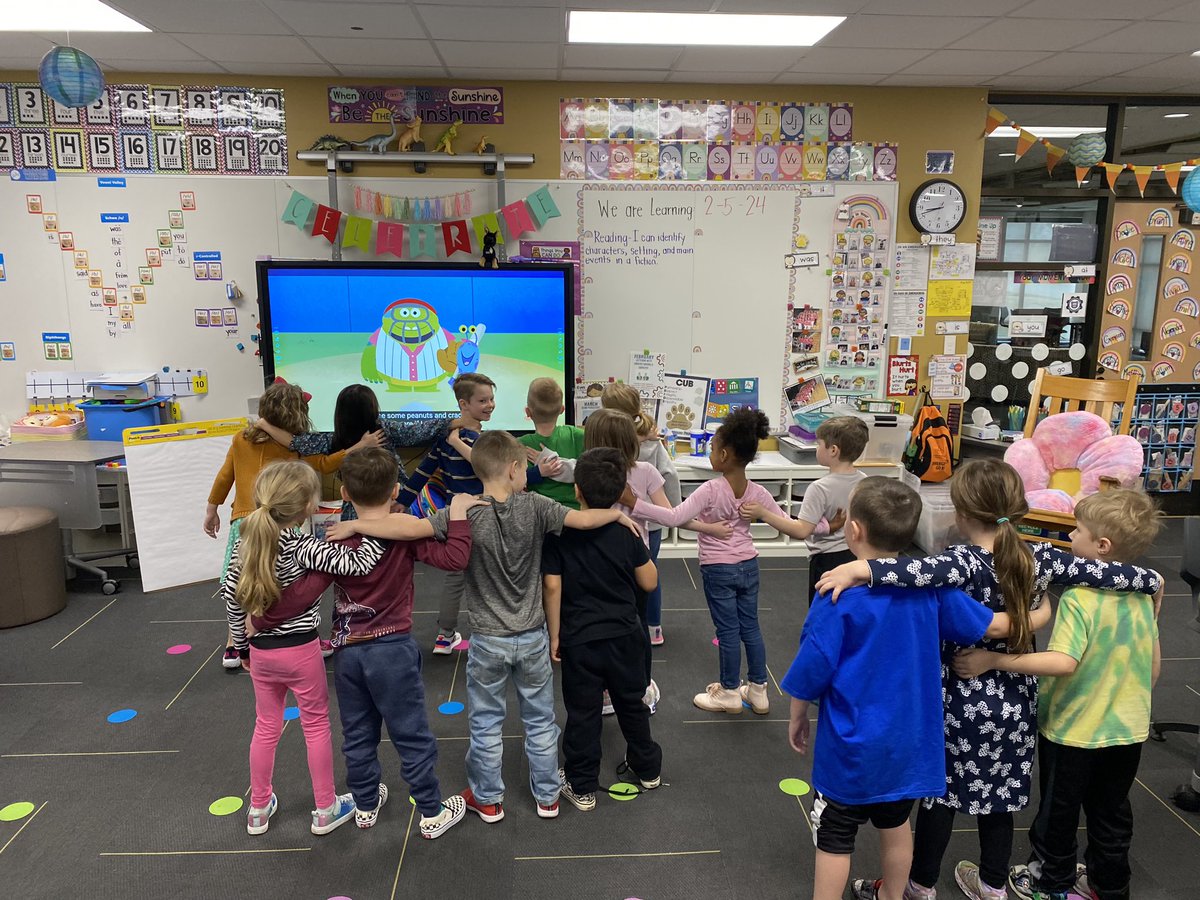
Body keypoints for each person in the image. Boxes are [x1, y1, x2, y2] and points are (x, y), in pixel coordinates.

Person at [816, 460, 1163, 900]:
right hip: (1016, 700)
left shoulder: (961, 561)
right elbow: (1110, 572)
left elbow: (911, 572)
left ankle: (919, 886)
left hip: (959, 693)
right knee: (1001, 798)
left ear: (960, 512)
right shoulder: (1040, 556)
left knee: (939, 796)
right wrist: (1150, 579)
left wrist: (860, 570)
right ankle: (992, 886)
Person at [330, 430, 641, 823]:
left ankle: (488, 799)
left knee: (485, 722)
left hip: (488, 641)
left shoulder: (465, 512)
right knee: (541, 720)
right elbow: (582, 520)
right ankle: (547, 797)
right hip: (531, 637)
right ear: (512, 469)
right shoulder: (538, 506)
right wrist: (616, 512)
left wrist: (359, 526)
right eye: (525, 468)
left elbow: (408, 527)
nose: (529, 474)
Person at [782, 477, 1011, 900]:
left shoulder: (836, 595)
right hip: (910, 744)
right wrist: (1041, 611)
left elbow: (813, 666)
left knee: (834, 837)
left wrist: (798, 714)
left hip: (851, 750)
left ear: (853, 531)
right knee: (897, 826)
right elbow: (988, 624)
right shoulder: (932, 588)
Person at [250, 448, 482, 840]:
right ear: (395, 490)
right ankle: (430, 811)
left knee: (357, 733)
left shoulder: (335, 537)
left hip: (347, 653)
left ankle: (365, 804)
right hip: (392, 652)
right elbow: (456, 558)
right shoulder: (403, 534)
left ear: (343, 493)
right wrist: (457, 516)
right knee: (411, 733)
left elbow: (301, 591)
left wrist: (260, 620)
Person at [952, 490, 1163, 900]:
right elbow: (1153, 665)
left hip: (1074, 730)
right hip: (1129, 729)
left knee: (1059, 813)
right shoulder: (1142, 595)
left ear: (1101, 546)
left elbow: (1063, 661)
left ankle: (1051, 883)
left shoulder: (1079, 599)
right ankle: (1108, 886)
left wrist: (995, 663)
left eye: (1077, 531)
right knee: (1111, 811)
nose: (1070, 538)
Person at [222, 460, 390, 837]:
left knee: (266, 725)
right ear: (308, 507)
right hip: (301, 652)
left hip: (261, 654)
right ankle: (325, 808)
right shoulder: (304, 547)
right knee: (315, 725)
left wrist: (244, 647)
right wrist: (367, 527)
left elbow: (233, 601)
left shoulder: (245, 546)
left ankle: (258, 808)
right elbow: (361, 563)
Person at [206, 379, 375, 669]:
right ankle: (296, 633)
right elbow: (323, 464)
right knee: (288, 579)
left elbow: (225, 476)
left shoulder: (240, 438)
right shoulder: (293, 445)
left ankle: (234, 643)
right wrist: (357, 448)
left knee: (241, 580)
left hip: (243, 521)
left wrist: (212, 509)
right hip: (284, 523)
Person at [628, 407, 780, 716]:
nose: (710, 453)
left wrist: (635, 504)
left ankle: (728, 692)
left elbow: (673, 517)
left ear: (724, 454)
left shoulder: (710, 489)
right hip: (749, 566)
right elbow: (788, 522)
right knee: (750, 627)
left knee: (727, 631)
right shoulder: (758, 491)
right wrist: (827, 527)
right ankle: (759, 690)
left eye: (711, 448)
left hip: (718, 569)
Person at [543, 448, 663, 810]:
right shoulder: (625, 531)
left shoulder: (559, 535)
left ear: (576, 490)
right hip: (626, 636)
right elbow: (650, 582)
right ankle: (648, 770)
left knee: (582, 712)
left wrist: (555, 635)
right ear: (618, 493)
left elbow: (552, 587)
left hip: (581, 639)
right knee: (632, 703)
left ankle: (581, 786)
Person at [392, 372, 492, 656]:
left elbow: (423, 470)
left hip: (454, 515)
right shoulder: (477, 441)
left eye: (491, 399)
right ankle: (485, 632)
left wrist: (404, 499)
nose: (490, 405)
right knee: (485, 574)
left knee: (456, 576)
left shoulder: (449, 438)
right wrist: (404, 500)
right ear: (463, 404)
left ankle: (444, 635)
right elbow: (487, 468)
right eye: (482, 400)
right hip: (481, 513)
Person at [254, 382, 452, 521]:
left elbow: (295, 442)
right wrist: (453, 422)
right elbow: (421, 430)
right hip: (389, 505)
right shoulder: (377, 431)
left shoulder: (343, 437)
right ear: (372, 409)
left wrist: (263, 424)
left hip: (367, 507)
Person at [742, 415, 866, 605]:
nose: (817, 448)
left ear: (833, 450)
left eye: (819, 444)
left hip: (827, 560)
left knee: (822, 610)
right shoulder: (864, 481)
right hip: (857, 556)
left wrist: (763, 513)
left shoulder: (820, 488)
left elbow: (801, 530)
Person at [601, 382, 682, 645]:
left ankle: (627, 626)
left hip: (621, 521)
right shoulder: (652, 444)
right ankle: (652, 628)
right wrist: (673, 509)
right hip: (652, 524)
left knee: (621, 575)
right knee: (649, 573)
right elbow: (670, 477)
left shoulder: (608, 445)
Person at [518, 376, 585, 510]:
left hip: (541, 517)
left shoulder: (519, 445)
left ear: (528, 412)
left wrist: (536, 473)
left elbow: (513, 483)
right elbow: (591, 472)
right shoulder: (578, 435)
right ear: (562, 409)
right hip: (577, 512)